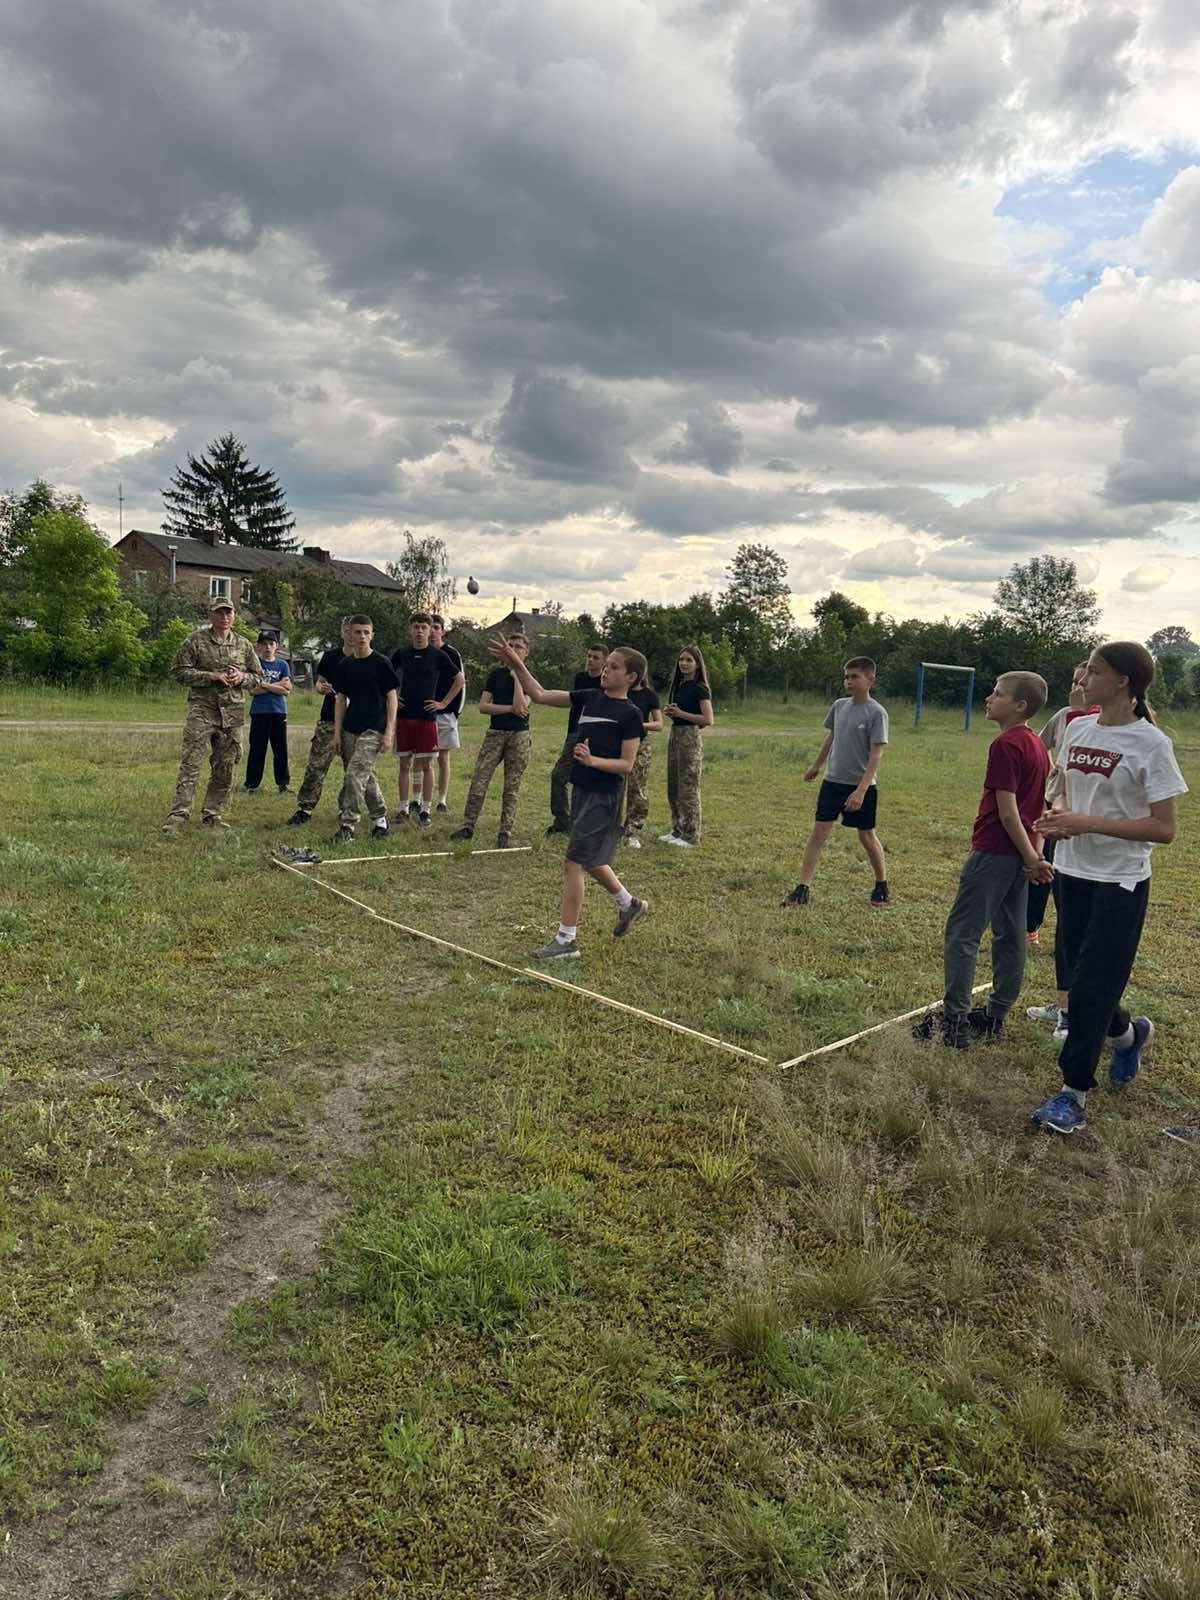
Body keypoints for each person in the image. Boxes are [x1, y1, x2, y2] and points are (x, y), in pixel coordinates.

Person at [1028, 642, 1187, 1135]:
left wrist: (1087, 822)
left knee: (1092, 986)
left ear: (1123, 682)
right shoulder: (1078, 728)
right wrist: (1058, 817)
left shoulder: (1151, 744)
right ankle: (1128, 1036)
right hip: (1071, 870)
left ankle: (1071, 1094)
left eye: (1093, 672)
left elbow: (1164, 829)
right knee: (1082, 980)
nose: (1083, 680)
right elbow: (1062, 790)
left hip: (1119, 880)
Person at [913, 672, 1052, 1050]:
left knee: (962, 935)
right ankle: (995, 1015)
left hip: (994, 852)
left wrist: (1031, 857)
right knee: (1010, 935)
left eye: (998, 693)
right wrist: (1033, 855)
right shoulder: (1038, 745)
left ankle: (954, 1021)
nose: (989, 698)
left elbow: (1008, 811)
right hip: (1022, 856)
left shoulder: (1006, 744)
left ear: (1020, 706)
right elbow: (1039, 807)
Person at [489, 637, 648, 958]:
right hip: (582, 789)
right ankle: (628, 904)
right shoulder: (589, 697)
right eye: (606, 665)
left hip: (604, 795)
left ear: (631, 677)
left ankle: (566, 941)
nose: (606, 671)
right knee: (590, 859)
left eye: (614, 667)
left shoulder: (630, 714)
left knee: (574, 862)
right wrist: (515, 662)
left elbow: (627, 764)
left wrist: (592, 761)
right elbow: (540, 694)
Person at [1024, 661, 1096, 1036]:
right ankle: (1065, 1009)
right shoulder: (1068, 719)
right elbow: (1046, 756)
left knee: (1087, 931)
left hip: (1097, 845)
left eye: (1085, 680)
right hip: (1060, 826)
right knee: (1066, 921)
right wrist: (1054, 799)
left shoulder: (1107, 726)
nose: (1076, 688)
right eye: (1074, 681)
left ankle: (1091, 1015)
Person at [783, 657, 889, 904]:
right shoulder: (839, 706)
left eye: (855, 677)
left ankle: (881, 884)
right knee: (818, 833)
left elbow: (876, 755)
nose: (849, 681)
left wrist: (861, 791)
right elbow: (832, 737)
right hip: (832, 783)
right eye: (846, 677)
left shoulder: (877, 713)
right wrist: (817, 765)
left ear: (870, 680)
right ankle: (802, 888)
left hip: (861, 786)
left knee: (866, 836)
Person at [163, 599, 263, 833]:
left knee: (225, 766)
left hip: (232, 713)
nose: (224, 617)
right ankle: (179, 815)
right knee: (191, 763)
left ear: (234, 616)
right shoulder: (195, 640)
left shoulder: (243, 645)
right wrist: (211, 677)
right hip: (203, 710)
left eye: (228, 613)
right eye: (219, 613)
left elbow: (258, 677)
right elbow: (178, 671)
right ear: (210, 616)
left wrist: (242, 678)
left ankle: (213, 814)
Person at [450, 633, 532, 848]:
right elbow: (483, 706)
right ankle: (467, 826)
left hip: (519, 736)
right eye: (510, 645)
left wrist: (517, 678)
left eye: (518, 647)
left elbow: (523, 706)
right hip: (495, 733)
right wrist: (510, 709)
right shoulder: (495, 675)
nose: (513, 649)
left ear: (526, 652)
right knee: (479, 780)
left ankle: (505, 832)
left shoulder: (528, 677)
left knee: (511, 787)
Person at [390, 613, 464, 829]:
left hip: (427, 718)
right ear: (410, 630)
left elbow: (459, 679)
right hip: (405, 717)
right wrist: (393, 697)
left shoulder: (438, 655)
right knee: (404, 764)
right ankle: (403, 808)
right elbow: (384, 676)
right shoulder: (402, 653)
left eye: (424, 627)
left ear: (430, 630)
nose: (420, 631)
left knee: (427, 765)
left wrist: (444, 703)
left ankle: (425, 810)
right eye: (416, 627)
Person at [330, 616, 398, 844]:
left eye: (366, 632)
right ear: (349, 634)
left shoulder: (381, 663)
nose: (361, 636)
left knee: (354, 775)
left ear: (372, 635)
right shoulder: (345, 665)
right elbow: (340, 699)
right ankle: (381, 822)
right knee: (365, 777)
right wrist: (337, 734)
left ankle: (347, 826)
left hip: (374, 728)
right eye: (357, 632)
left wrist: (389, 732)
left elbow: (391, 698)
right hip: (350, 728)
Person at [287, 617, 352, 827]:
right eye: (347, 630)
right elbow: (320, 682)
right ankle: (305, 809)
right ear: (342, 632)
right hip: (329, 719)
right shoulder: (331, 656)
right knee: (316, 766)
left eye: (355, 630)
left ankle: (347, 808)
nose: (351, 635)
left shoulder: (370, 659)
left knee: (353, 770)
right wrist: (320, 687)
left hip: (355, 722)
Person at [548, 643, 606, 835]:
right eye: (589, 656)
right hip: (575, 733)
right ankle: (562, 821)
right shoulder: (580, 678)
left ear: (604, 661)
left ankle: (592, 823)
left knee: (589, 781)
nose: (590, 660)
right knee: (559, 776)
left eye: (595, 657)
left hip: (597, 735)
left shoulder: (606, 683)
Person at [660, 645, 714, 847]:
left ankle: (691, 836)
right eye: (681, 659)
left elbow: (707, 719)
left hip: (690, 737)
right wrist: (672, 713)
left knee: (688, 787)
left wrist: (681, 713)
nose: (684, 663)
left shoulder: (700, 688)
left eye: (689, 660)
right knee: (674, 785)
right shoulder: (679, 685)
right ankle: (677, 830)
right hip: (675, 734)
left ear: (697, 664)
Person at [243, 631, 292, 795]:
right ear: (258, 647)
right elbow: (253, 691)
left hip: (278, 711)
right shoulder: (255, 664)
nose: (268, 647)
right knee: (258, 748)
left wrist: (265, 685)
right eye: (264, 644)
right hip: (259, 712)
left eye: (271, 644)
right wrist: (278, 685)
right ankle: (252, 784)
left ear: (276, 646)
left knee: (280, 749)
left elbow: (287, 690)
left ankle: (283, 784)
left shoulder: (282, 665)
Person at [622, 663, 663, 848]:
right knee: (614, 787)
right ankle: (610, 828)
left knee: (637, 788)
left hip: (641, 745)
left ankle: (632, 831)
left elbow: (659, 724)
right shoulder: (622, 692)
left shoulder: (649, 695)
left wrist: (638, 724)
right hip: (618, 743)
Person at [429, 614, 465, 813]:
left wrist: (450, 708)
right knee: (424, 758)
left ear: (442, 631)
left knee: (443, 758)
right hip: (424, 713)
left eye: (436, 627)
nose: (432, 631)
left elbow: (461, 683)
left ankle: (442, 800)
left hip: (446, 713)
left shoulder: (451, 653)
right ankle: (420, 800)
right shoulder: (421, 652)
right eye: (430, 627)